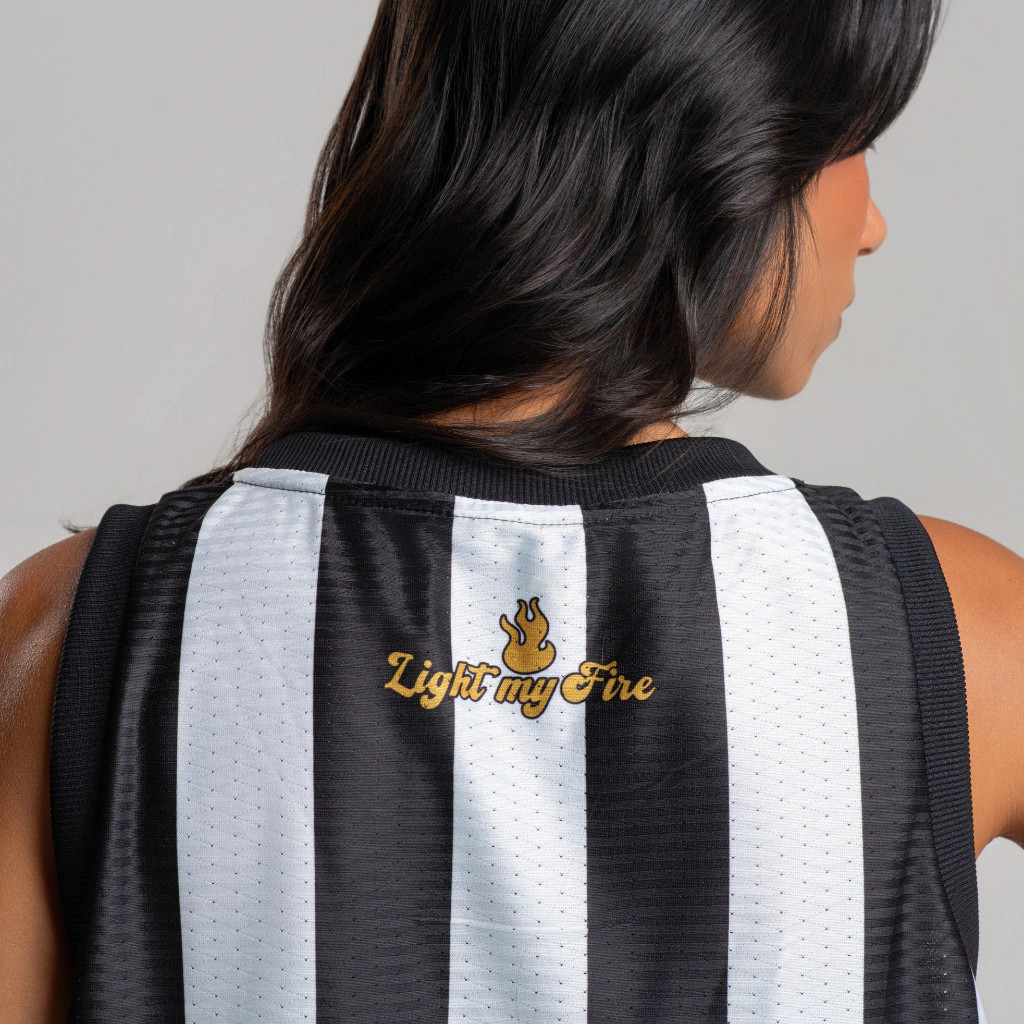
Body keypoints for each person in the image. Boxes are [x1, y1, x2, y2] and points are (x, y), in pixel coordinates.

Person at [1, 0, 1020, 1021]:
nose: (872, 225)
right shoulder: (958, 634)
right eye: (851, 135)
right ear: (719, 128)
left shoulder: (72, 637)